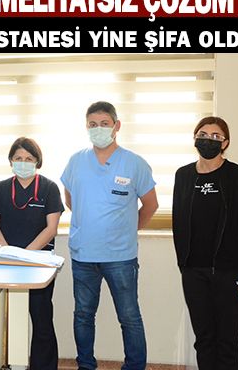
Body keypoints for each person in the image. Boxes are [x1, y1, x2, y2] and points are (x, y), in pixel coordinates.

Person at [61, 101, 158, 370]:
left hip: (121, 257)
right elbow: (70, 199)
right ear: (86, 127)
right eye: (92, 124)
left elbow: (151, 205)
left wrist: (127, 229)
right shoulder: (76, 161)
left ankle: (134, 366)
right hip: (83, 255)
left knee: (129, 317)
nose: (99, 129)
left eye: (104, 123)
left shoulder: (134, 163)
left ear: (117, 126)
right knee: (83, 315)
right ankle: (86, 365)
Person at [172, 116, 238, 370]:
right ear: (194, 138)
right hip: (194, 272)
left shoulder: (237, 176)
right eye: (203, 134)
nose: (208, 139)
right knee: (204, 338)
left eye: (215, 136)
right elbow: (178, 221)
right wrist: (183, 265)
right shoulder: (183, 175)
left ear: (225, 143)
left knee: (228, 340)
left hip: (229, 272)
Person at [0, 137, 64, 370]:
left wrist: (24, 257)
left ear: (37, 161)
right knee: (6, 319)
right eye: (18, 158)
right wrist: (8, 254)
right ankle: (9, 364)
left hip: (38, 265)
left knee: (41, 320)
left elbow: (51, 228)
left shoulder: (49, 188)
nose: (23, 162)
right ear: (11, 160)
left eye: (29, 158)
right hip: (7, 264)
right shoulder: (1, 188)